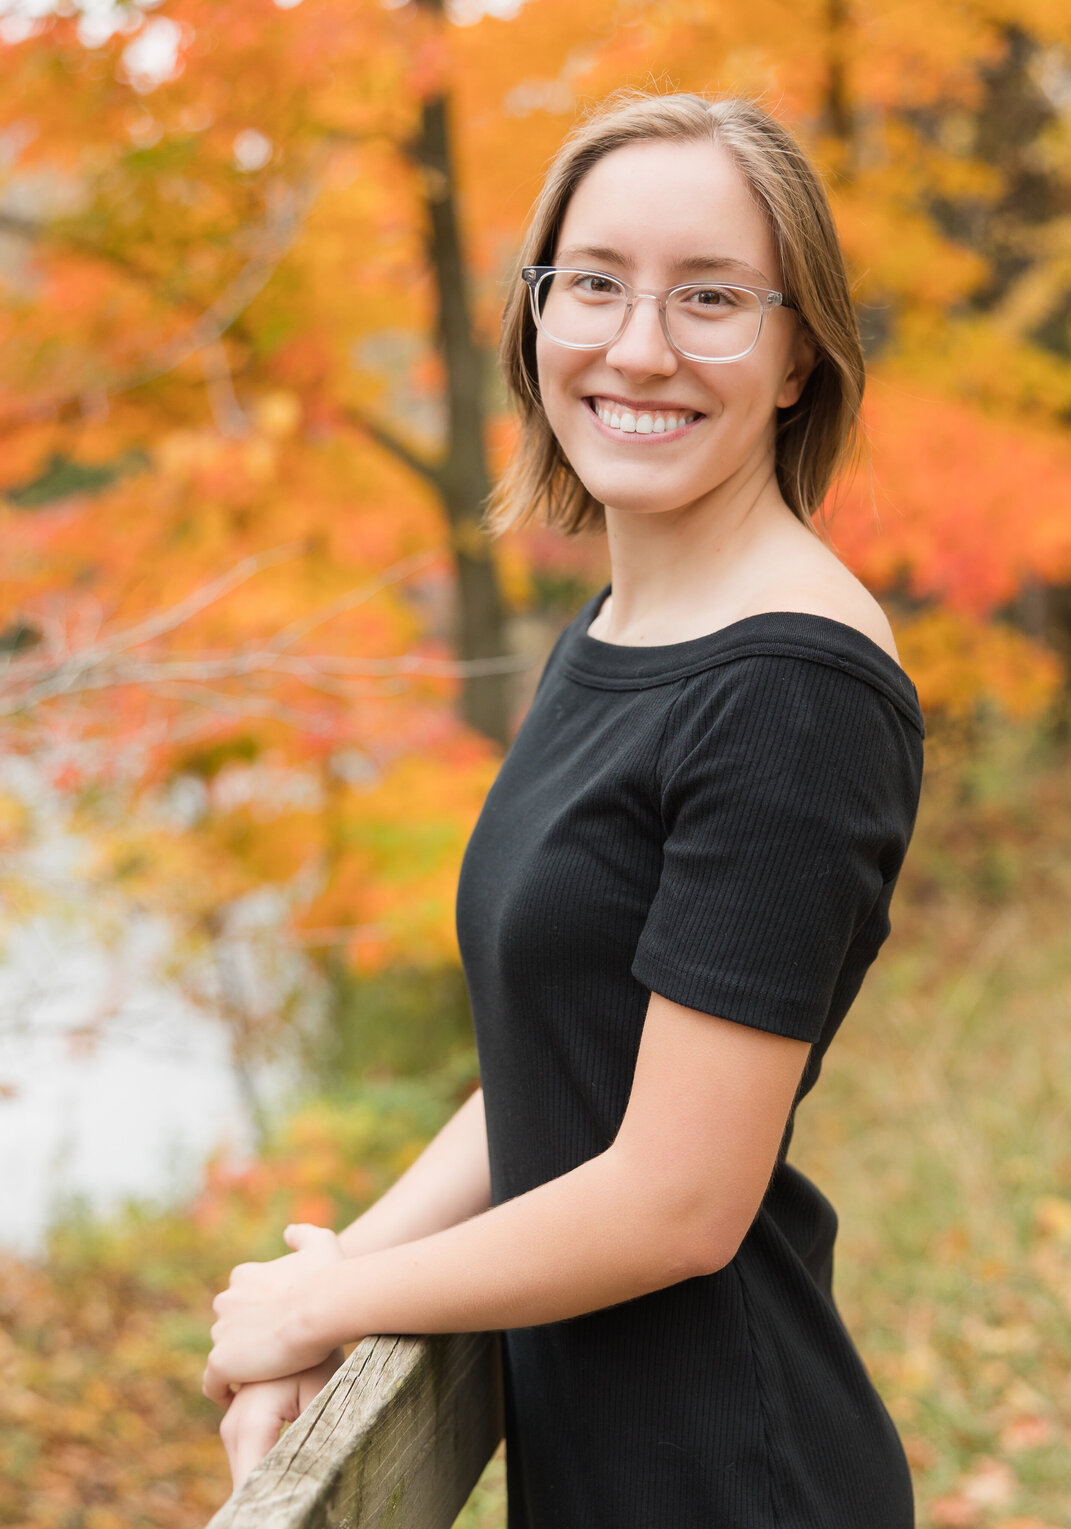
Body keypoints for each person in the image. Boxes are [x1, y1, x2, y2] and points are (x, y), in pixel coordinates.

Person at [205, 90, 925, 1529]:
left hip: (730, 1481)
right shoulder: (619, 625)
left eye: (712, 297)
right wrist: (329, 1278)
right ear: (536, 314)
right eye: (593, 283)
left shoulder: (795, 687)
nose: (638, 345)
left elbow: (676, 1195)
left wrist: (328, 1301)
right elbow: (565, 1056)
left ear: (797, 355)